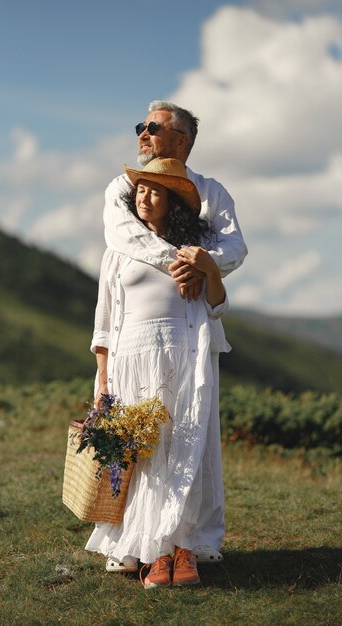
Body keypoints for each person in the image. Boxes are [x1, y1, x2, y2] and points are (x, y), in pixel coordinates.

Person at [101, 101, 248, 569]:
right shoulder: (122, 186)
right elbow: (125, 237)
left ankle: (184, 543)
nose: (142, 133)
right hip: (134, 347)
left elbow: (233, 247)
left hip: (189, 340)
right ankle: (137, 543)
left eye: (153, 127)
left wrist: (204, 265)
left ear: (181, 138)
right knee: (136, 443)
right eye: (140, 127)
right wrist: (183, 262)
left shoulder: (211, 191)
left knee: (188, 436)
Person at [85, 157, 230, 588]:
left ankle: (180, 549)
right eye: (141, 191)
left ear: (173, 204)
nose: (144, 198)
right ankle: (150, 550)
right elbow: (104, 321)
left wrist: (209, 268)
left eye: (155, 192)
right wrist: (104, 380)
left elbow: (217, 306)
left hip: (182, 360)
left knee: (183, 449)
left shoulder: (190, 255)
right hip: (131, 362)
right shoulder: (119, 252)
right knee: (144, 456)